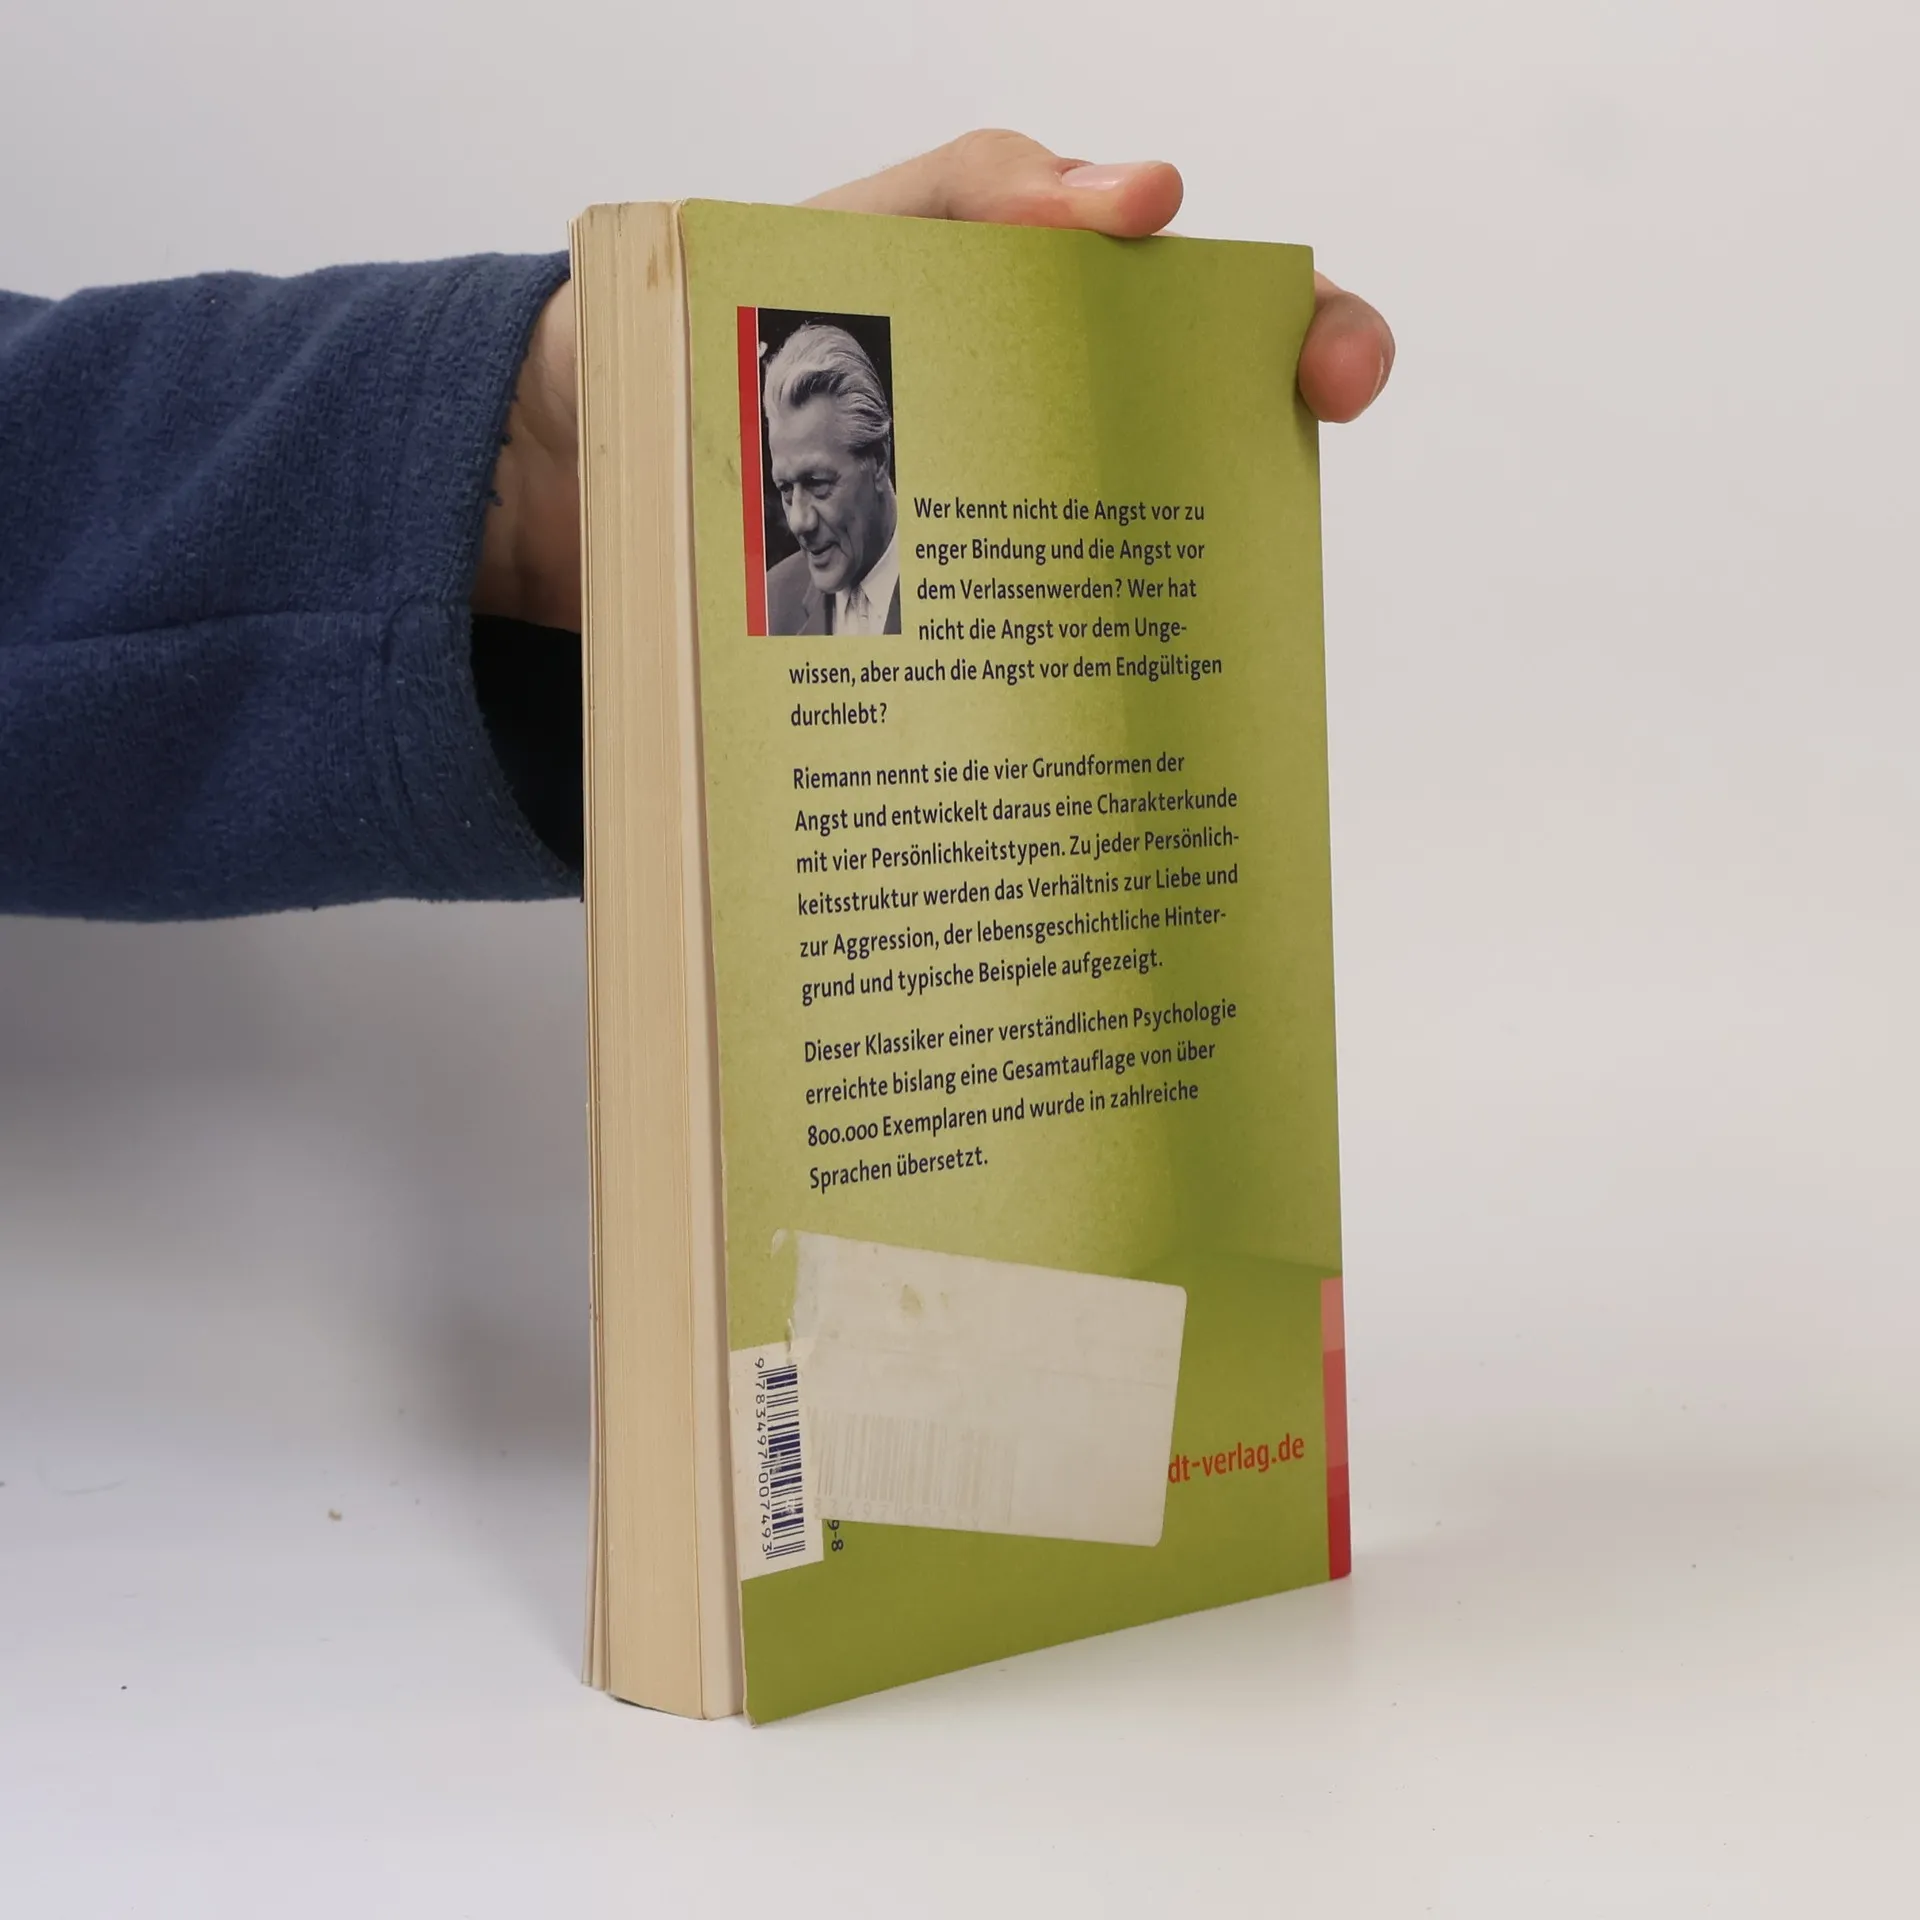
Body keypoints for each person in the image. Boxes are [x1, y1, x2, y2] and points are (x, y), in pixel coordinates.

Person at [0, 131, 1393, 921]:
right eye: (780, 488)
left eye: (815, 484)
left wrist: (530, 439)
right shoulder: (785, 608)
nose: (792, 514)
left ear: (888, 465)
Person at [763, 323, 902, 637]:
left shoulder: (955, 581)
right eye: (786, 489)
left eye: (817, 483)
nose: (798, 522)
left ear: (879, 460)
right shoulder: (772, 604)